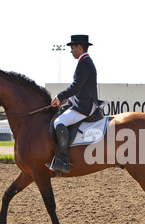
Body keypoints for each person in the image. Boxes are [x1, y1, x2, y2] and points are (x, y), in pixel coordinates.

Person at [47, 34, 99, 173]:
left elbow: (76, 86)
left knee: (59, 122)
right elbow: (81, 89)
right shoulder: (85, 62)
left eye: (72, 47)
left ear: (80, 47)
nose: (71, 51)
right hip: (82, 102)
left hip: (85, 106)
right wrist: (68, 100)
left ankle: (63, 160)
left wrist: (59, 97)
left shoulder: (85, 63)